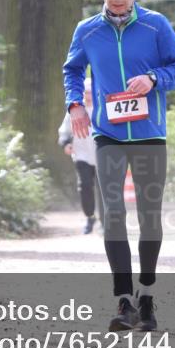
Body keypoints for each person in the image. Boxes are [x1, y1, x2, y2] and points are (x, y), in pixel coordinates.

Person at [62, 0, 175, 332]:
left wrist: (153, 78)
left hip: (150, 134)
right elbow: (71, 70)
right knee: (113, 214)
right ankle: (124, 300)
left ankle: (146, 296)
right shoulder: (87, 31)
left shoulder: (155, 25)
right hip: (108, 135)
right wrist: (75, 105)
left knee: (149, 216)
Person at [57, 77, 104, 234]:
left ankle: (106, 221)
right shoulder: (75, 111)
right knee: (85, 187)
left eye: (91, 92)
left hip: (102, 155)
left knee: (104, 189)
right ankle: (90, 217)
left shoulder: (102, 109)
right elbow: (64, 131)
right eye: (86, 93)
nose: (88, 96)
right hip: (81, 154)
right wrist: (66, 143)